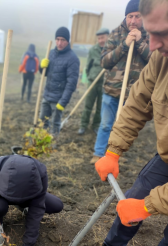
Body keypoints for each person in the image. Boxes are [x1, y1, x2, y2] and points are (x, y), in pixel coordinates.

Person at [79, 0, 168, 246]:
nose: (151, 43)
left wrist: (149, 207)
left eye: (161, 33)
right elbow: (137, 102)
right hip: (166, 156)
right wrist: (113, 151)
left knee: (146, 205)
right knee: (136, 192)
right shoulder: (160, 56)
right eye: (149, 32)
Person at [90, 0, 151, 164]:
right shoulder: (115, 34)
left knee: (123, 128)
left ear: (143, 17)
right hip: (112, 89)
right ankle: (98, 153)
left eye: (137, 16)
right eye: (130, 16)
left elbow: (155, 61)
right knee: (105, 125)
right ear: (126, 17)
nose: (133, 21)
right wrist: (124, 45)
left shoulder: (150, 34)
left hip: (133, 94)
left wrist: (140, 43)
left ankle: (115, 156)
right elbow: (104, 62)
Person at [39, 27, 80, 137]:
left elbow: (71, 84)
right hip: (47, 95)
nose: (59, 43)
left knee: (55, 124)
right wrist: (41, 66)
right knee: (42, 122)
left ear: (67, 41)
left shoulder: (73, 59)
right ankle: (42, 141)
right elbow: (46, 73)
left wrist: (63, 102)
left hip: (58, 99)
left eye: (63, 40)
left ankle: (52, 145)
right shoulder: (51, 53)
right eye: (57, 39)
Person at [78, 28, 109, 136]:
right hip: (92, 82)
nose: (101, 40)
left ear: (107, 37)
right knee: (88, 105)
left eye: (103, 37)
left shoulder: (111, 49)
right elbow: (88, 66)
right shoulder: (93, 50)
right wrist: (91, 76)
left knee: (100, 107)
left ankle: (96, 126)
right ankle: (83, 125)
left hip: (104, 84)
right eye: (99, 38)